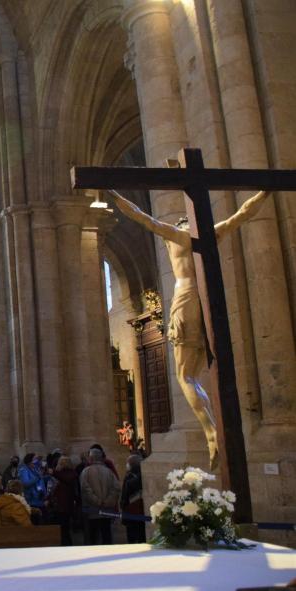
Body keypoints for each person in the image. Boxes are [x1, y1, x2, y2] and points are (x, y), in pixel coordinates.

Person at [108, 188, 270, 468]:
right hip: (210, 299)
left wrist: (113, 194)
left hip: (185, 299)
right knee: (210, 365)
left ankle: (211, 432)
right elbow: (243, 213)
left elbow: (142, 217)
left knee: (186, 376)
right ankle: (221, 425)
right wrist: (265, 191)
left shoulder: (176, 235)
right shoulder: (211, 234)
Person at [80, 448, 121, 545]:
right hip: (106, 510)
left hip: (93, 511)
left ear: (90, 458)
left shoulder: (86, 472)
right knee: (106, 537)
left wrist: (97, 501)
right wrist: (108, 501)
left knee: (93, 538)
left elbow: (85, 489)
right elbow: (116, 488)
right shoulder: (109, 472)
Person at [47, 455, 79, 546]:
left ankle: (67, 545)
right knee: (62, 529)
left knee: (64, 529)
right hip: (60, 506)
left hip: (65, 506)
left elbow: (66, 478)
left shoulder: (70, 474)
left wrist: (54, 472)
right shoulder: (61, 475)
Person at [120, 454, 146, 543]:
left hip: (131, 512)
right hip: (142, 512)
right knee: (142, 537)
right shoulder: (144, 475)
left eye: (128, 463)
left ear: (131, 464)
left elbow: (125, 496)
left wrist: (122, 506)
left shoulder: (130, 477)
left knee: (132, 538)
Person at [17, 453, 47, 518]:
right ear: (29, 460)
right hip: (31, 501)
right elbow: (25, 483)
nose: (37, 461)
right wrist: (38, 477)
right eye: (35, 459)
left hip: (40, 499)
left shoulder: (35, 469)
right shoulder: (23, 470)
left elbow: (41, 481)